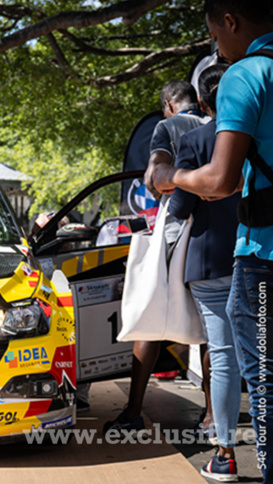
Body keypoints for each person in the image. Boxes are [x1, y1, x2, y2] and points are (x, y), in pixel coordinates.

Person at [154, 0, 273, 481]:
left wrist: (170, 177)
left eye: (215, 37)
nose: (216, 49)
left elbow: (221, 180)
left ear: (231, 21)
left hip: (264, 253)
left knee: (263, 379)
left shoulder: (247, 74)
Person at [104, 81, 208, 434]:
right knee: (213, 329)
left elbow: (154, 177)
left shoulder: (168, 127)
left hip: (176, 229)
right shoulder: (218, 124)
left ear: (168, 104)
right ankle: (212, 417)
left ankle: (133, 411)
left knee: (149, 315)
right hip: (215, 234)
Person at [168, 64, 242, 481]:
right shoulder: (257, 137)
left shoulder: (195, 140)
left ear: (202, 102)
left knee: (225, 357)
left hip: (211, 264)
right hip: (259, 259)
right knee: (261, 355)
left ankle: (225, 455)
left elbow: (180, 207)